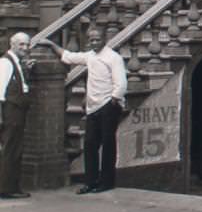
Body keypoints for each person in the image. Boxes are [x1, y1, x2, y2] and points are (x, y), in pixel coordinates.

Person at [39, 27, 127, 194]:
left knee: (108, 144)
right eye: (91, 40)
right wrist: (51, 45)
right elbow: (69, 57)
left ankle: (107, 182)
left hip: (108, 106)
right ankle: (90, 182)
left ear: (104, 39)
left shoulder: (113, 58)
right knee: (90, 144)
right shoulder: (90, 56)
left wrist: (113, 101)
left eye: (97, 39)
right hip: (93, 108)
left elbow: (121, 84)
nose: (94, 42)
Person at [0, 32, 35, 199]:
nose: (25, 48)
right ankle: (7, 188)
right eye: (21, 44)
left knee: (15, 149)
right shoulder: (6, 62)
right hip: (10, 112)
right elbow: (0, 91)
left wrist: (26, 70)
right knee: (11, 150)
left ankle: (11, 186)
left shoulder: (17, 62)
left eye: (27, 45)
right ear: (12, 44)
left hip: (17, 112)